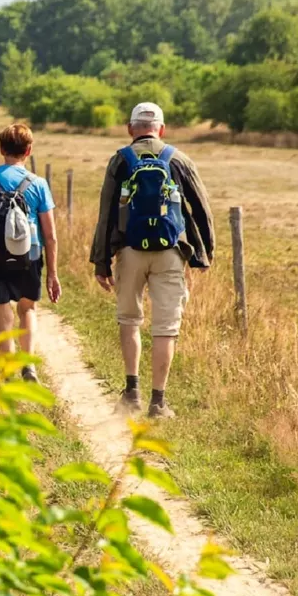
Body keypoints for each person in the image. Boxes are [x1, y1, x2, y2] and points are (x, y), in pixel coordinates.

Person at [90, 102, 215, 418]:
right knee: (165, 327)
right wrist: (204, 253)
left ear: (130, 128)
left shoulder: (120, 160)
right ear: (162, 129)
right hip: (170, 253)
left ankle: (131, 393)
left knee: (129, 319)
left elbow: (106, 213)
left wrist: (101, 261)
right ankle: (158, 402)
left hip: (129, 251)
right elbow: (201, 208)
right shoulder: (179, 159)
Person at [0, 123, 61, 380]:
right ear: (28, 150)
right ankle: (29, 366)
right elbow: (50, 235)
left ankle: (6, 373)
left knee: (2, 313)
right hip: (30, 256)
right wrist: (52, 274)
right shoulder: (38, 184)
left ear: (1, 149)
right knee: (27, 309)